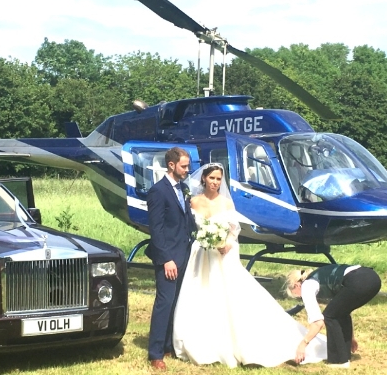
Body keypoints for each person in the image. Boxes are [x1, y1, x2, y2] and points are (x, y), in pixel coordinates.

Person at [172, 163, 327, 368]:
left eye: (219, 179)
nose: (216, 183)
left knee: (228, 296)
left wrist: (225, 243)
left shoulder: (226, 203)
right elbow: (189, 227)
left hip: (222, 255)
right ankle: (202, 341)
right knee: (200, 294)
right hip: (201, 255)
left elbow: (234, 229)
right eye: (212, 178)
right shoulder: (193, 202)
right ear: (204, 179)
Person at [145, 147, 196, 370]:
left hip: (184, 254)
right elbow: (156, 230)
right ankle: (155, 353)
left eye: (188, 165)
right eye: (184, 166)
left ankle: (168, 345)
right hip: (168, 257)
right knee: (164, 302)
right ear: (171, 165)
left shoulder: (183, 189)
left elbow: (187, 222)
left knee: (176, 302)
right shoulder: (158, 191)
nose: (187, 170)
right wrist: (166, 259)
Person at [285, 264, 381, 368]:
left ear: (296, 285)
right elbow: (343, 310)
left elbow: (318, 323)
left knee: (329, 316)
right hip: (373, 279)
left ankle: (339, 361)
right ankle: (345, 355)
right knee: (337, 313)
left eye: (298, 297)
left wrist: (303, 344)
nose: (302, 298)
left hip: (359, 280)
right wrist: (350, 338)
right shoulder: (321, 279)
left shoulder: (307, 286)